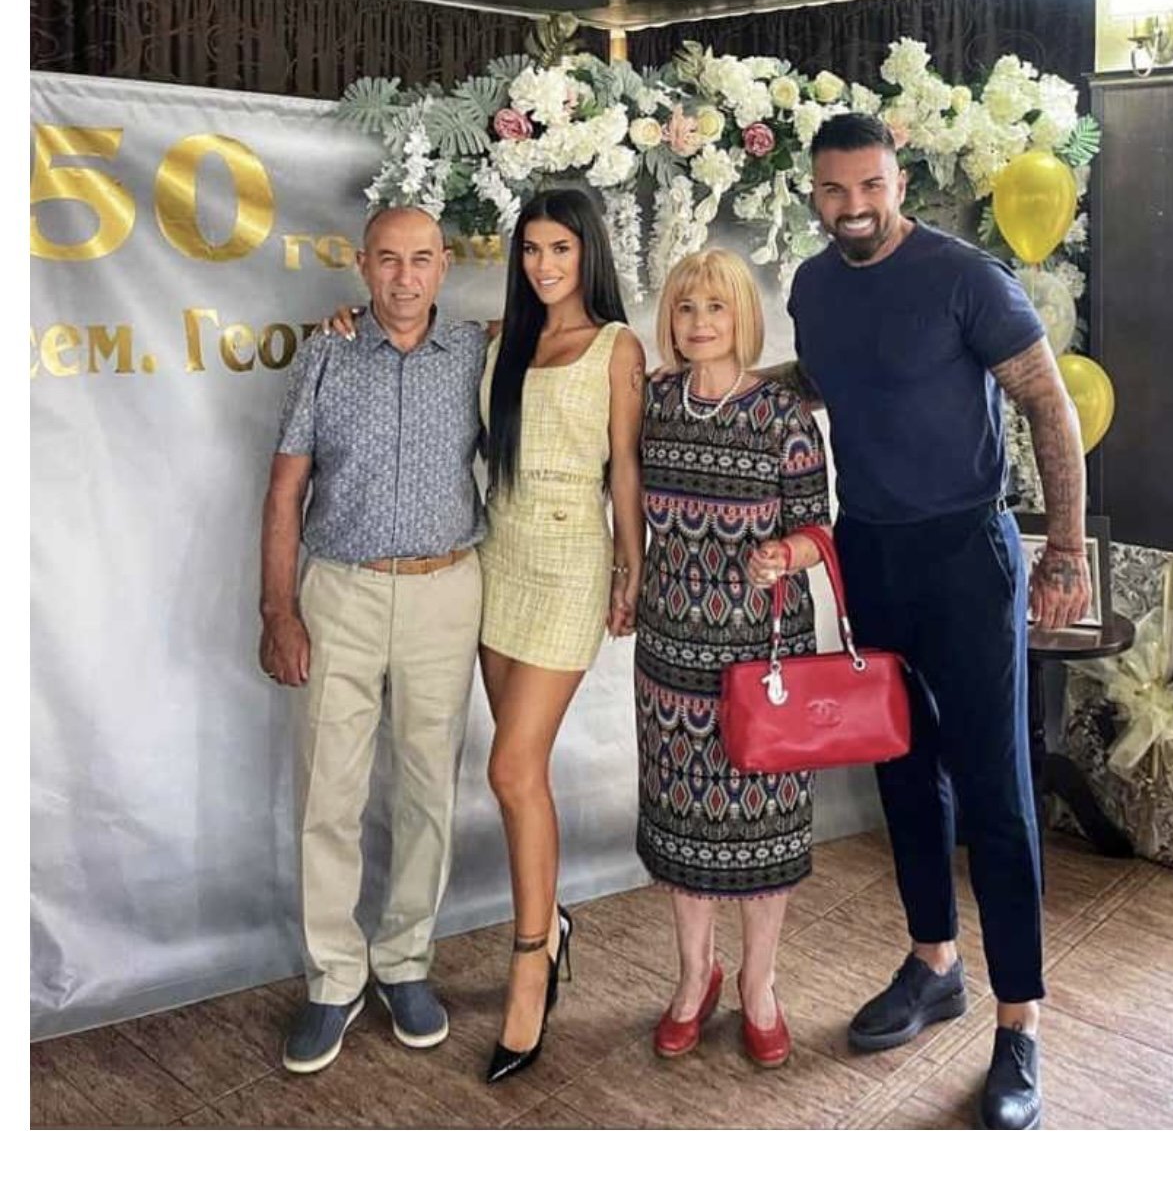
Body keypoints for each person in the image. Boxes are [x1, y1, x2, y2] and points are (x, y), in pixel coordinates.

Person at [785, 112, 1092, 1129]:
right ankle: (934, 963)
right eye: (834, 190)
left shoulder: (967, 278)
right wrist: (729, 379)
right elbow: (827, 382)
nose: (853, 207)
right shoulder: (813, 286)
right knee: (904, 774)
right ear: (814, 192)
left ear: (898, 183)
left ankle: (1020, 1023)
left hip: (967, 554)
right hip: (869, 550)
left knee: (996, 791)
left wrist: (1064, 549)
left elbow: (1048, 405)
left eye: (870, 187)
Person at [325, 188, 645, 1084]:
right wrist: (346, 320)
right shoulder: (497, 342)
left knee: (510, 768)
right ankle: (551, 924)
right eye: (532, 250)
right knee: (520, 777)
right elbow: (406, 332)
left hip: (569, 564)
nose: (545, 265)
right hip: (494, 557)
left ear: (589, 255)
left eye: (561, 249)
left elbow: (625, 466)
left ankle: (530, 961)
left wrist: (634, 563)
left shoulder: (617, 347)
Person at [260, 206, 487, 1074]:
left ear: (443, 266)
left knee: (429, 788)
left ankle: (404, 961)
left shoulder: (472, 352)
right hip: (341, 595)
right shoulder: (327, 352)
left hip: (443, 593)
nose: (404, 277)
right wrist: (277, 610)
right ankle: (333, 976)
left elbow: (560, 333)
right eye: (387, 260)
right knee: (329, 791)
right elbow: (286, 490)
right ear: (362, 265)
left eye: (420, 259)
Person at [636, 248, 833, 1069]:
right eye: (685, 308)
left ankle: (759, 981)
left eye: (715, 307)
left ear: (743, 317)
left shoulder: (783, 417)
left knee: (764, 824)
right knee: (683, 819)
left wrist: (786, 554)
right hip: (670, 651)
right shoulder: (653, 402)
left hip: (764, 652)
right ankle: (694, 976)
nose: (699, 322)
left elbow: (820, 529)